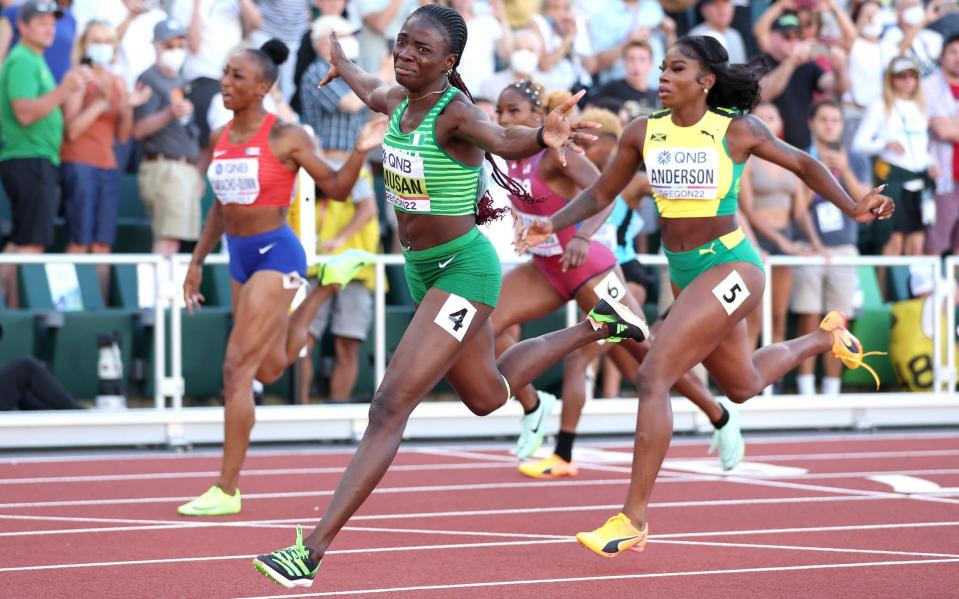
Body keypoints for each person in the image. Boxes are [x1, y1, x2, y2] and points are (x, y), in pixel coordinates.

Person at [251, 5, 649, 588]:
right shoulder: (395, 101)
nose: (407, 54)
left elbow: (504, 137)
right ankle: (599, 326)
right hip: (422, 271)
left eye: (422, 49)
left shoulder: (454, 113)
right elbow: (367, 86)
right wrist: (340, 59)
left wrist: (541, 135)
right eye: (403, 43)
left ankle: (310, 551)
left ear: (450, 62)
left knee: (389, 405)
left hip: (464, 269)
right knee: (487, 397)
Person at [519, 35, 893, 558]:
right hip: (685, 273)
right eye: (661, 68)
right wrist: (550, 226)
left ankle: (633, 518)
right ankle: (822, 336)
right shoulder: (641, 133)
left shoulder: (736, 130)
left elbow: (805, 165)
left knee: (653, 375)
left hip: (733, 265)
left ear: (706, 81)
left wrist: (854, 206)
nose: (663, 77)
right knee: (742, 385)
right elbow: (602, 192)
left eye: (676, 69)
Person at [176, 39, 388, 517]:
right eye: (225, 73)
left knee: (237, 371)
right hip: (239, 258)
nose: (226, 84)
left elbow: (335, 188)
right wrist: (195, 262)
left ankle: (227, 489)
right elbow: (219, 207)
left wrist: (358, 151)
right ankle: (327, 285)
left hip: (278, 253)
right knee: (268, 368)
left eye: (237, 77)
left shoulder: (287, 136)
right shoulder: (219, 137)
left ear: (265, 87)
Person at [495, 96, 741, 478]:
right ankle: (532, 406)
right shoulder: (506, 157)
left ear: (538, 118)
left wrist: (583, 236)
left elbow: (604, 197)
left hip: (593, 267)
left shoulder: (567, 159)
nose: (503, 118)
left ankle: (720, 416)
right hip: (547, 267)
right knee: (483, 323)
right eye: (500, 111)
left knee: (645, 356)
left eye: (513, 111)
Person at [0, 1, 87, 307]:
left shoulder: (33, 60)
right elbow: (24, 113)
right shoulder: (23, 60)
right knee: (31, 241)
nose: (49, 28)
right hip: (29, 158)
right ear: (22, 27)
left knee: (23, 239)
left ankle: (8, 308)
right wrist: (64, 91)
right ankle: (13, 309)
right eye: (41, 23)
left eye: (52, 23)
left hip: (35, 158)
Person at [61, 20, 151, 299]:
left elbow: (123, 136)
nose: (101, 47)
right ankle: (74, 306)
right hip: (79, 163)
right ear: (84, 45)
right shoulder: (77, 77)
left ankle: (98, 306)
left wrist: (126, 106)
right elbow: (72, 129)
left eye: (107, 41)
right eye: (96, 40)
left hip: (108, 166)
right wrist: (100, 100)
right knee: (80, 241)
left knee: (102, 245)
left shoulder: (118, 81)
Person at [792, 98, 872, 396]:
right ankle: (805, 388)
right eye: (824, 120)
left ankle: (832, 388)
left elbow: (866, 203)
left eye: (835, 120)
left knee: (839, 320)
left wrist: (845, 170)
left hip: (843, 246)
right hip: (808, 245)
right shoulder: (801, 156)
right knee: (809, 313)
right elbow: (797, 208)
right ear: (812, 123)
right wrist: (816, 171)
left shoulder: (856, 157)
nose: (829, 126)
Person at [738, 102, 806, 350]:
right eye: (761, 117)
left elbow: (800, 211)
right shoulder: (745, 159)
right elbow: (748, 211)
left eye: (772, 116)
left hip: (784, 236)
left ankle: (772, 383)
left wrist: (816, 244)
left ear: (781, 123)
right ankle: (745, 383)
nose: (767, 121)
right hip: (757, 240)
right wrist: (781, 242)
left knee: (779, 316)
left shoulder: (789, 157)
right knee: (754, 319)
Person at [132, 18, 203, 256]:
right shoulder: (149, 78)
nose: (176, 50)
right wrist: (168, 113)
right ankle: (160, 293)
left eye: (180, 44)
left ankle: (172, 293)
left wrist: (196, 172)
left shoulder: (181, 80)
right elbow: (139, 129)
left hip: (185, 168)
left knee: (180, 241)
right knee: (168, 240)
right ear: (156, 45)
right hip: (165, 166)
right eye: (170, 44)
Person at [852, 55, 932, 258]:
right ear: (891, 79)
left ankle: (915, 290)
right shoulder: (880, 105)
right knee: (892, 243)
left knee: (916, 244)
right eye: (901, 76)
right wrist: (884, 143)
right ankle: (889, 290)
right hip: (894, 178)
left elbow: (924, 145)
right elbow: (858, 143)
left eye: (912, 75)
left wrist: (932, 162)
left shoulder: (921, 105)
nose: (907, 80)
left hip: (918, 181)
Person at [924, 32, 959, 257]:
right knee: (936, 242)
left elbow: (947, 127)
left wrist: (950, 125)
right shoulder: (928, 87)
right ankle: (930, 292)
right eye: (953, 52)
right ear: (942, 55)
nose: (958, 58)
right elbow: (940, 129)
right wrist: (947, 126)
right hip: (942, 176)